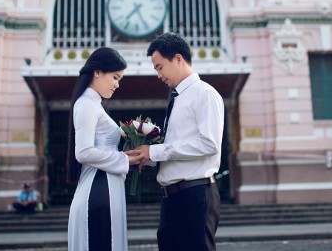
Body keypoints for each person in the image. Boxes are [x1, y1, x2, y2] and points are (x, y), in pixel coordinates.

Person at [126, 32, 224, 251]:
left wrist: (156, 152)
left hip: (195, 194)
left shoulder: (205, 94)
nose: (158, 75)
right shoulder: (177, 98)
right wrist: (146, 157)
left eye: (159, 67)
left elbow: (209, 144)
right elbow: (177, 150)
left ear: (178, 59)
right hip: (172, 197)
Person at [66, 47, 139, 251]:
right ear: (97, 72)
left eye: (119, 79)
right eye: (115, 77)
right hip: (98, 192)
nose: (117, 85)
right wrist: (126, 160)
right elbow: (83, 152)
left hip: (105, 188)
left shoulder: (93, 104)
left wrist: (127, 156)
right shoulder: (87, 104)